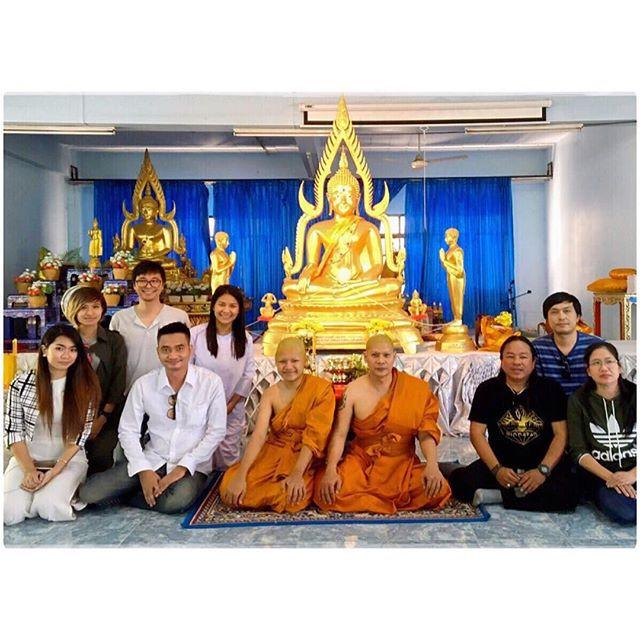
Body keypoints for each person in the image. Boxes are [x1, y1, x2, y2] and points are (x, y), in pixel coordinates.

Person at [78, 322, 227, 514]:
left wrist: (182, 467)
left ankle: (132, 496)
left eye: (179, 348)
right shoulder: (144, 384)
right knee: (89, 494)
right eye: (166, 350)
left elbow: (216, 431)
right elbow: (128, 430)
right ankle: (145, 489)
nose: (173, 355)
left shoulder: (210, 382)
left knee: (176, 501)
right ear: (158, 352)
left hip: (192, 465)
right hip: (153, 458)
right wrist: (143, 470)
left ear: (190, 349)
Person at [314, 334, 451, 514]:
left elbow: (426, 433)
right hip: (362, 463)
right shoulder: (353, 390)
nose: (381, 361)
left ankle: (367, 500)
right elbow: (340, 434)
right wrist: (331, 469)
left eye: (386, 355)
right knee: (326, 490)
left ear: (394, 357)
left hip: (401, 464)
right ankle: (380, 500)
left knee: (438, 489)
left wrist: (432, 465)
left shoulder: (414, 389)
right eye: (375, 355)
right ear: (365, 357)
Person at [449, 335, 578, 512]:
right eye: (510, 356)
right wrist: (497, 470)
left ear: (533, 362)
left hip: (539, 463)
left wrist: (542, 471)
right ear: (502, 361)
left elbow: (561, 434)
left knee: (569, 494)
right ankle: (516, 494)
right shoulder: (487, 389)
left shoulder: (550, 389)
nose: (517, 362)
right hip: (502, 463)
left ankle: (499, 496)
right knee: (459, 483)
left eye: (523, 357)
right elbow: (477, 433)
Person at [220, 337, 335, 513]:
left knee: (294, 497)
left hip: (304, 455)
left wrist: (297, 474)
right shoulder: (270, 394)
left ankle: (281, 491)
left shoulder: (321, 389)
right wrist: (241, 475)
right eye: (282, 362)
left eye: (294, 361)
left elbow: (314, 437)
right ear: (275, 362)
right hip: (274, 450)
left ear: (305, 361)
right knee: (228, 484)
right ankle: (271, 491)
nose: (288, 367)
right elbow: (259, 435)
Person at [4, 325, 101, 525]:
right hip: (27, 460)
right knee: (8, 512)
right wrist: (29, 470)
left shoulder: (86, 388)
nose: (66, 355)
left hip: (67, 461)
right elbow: (13, 431)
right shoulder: (21, 383)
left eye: (73, 350)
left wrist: (53, 473)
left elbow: (79, 438)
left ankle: (67, 492)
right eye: (59, 348)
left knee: (49, 506)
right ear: (44, 350)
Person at [61, 285, 127, 474]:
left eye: (95, 306)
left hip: (105, 415)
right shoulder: (63, 339)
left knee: (101, 456)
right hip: (69, 414)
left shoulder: (114, 341)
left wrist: (102, 418)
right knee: (67, 459)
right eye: (83, 307)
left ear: (103, 309)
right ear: (73, 310)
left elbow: (118, 381)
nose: (90, 313)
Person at [568, 342, 636, 525]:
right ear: (588, 371)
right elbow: (578, 451)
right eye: (596, 363)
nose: (604, 368)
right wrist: (612, 478)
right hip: (602, 476)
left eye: (609, 362)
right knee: (627, 514)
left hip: (635, 469)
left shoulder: (635, 395)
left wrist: (632, 475)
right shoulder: (578, 400)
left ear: (619, 367)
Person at [190, 284, 256, 469]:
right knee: (201, 457)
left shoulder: (245, 338)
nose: (226, 310)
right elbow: (188, 371)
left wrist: (229, 406)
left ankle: (225, 485)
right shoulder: (196, 335)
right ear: (213, 306)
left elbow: (247, 375)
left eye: (232, 306)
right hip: (200, 408)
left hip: (231, 409)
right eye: (222, 304)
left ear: (239, 310)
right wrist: (205, 406)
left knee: (228, 458)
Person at [109, 260, 190, 394]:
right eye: (142, 280)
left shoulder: (179, 316)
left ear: (163, 285)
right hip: (129, 393)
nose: (148, 285)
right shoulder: (120, 318)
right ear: (134, 285)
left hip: (169, 392)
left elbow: (186, 356)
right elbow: (113, 360)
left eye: (154, 281)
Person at [534, 291, 601, 395]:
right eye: (554, 312)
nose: (561, 317)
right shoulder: (537, 347)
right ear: (547, 319)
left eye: (567, 311)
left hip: (588, 403)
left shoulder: (597, 346)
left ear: (578, 317)